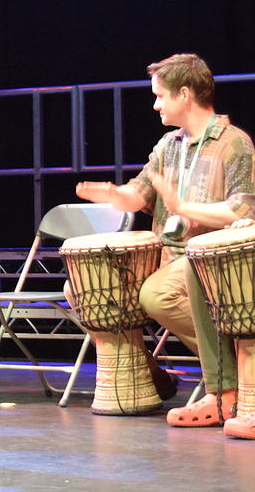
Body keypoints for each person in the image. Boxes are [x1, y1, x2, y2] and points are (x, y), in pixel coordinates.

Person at [76, 53, 254, 428]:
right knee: (81, 287)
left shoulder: (235, 144)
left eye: (160, 96)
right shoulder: (167, 145)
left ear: (185, 94)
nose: (155, 104)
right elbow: (138, 195)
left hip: (209, 259)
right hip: (164, 253)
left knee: (157, 295)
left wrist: (181, 205)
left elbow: (242, 210)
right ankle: (146, 376)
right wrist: (112, 194)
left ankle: (227, 383)